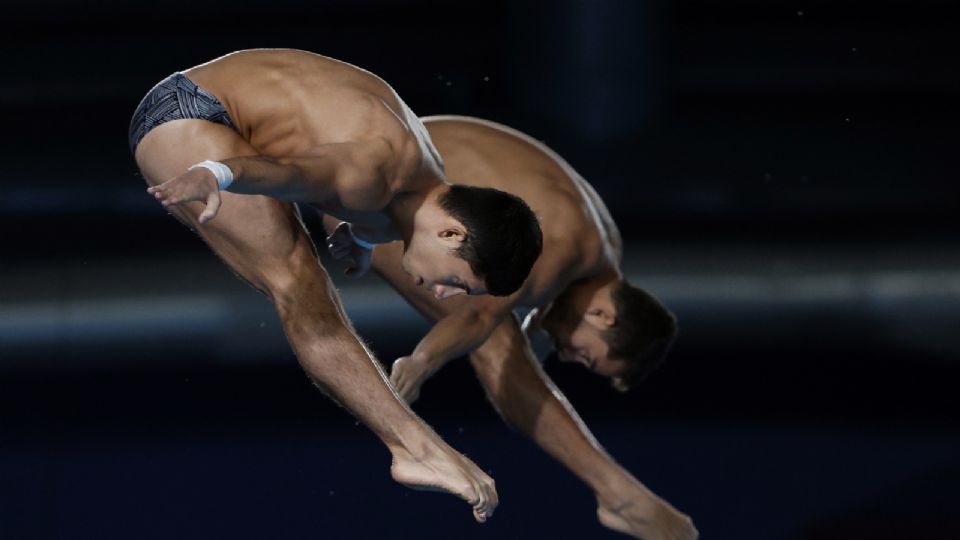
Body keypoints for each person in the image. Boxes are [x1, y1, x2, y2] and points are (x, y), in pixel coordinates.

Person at [130, 49, 542, 522]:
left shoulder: (424, 190)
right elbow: (294, 172)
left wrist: (362, 240)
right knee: (298, 282)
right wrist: (216, 173)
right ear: (452, 234)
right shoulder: (373, 173)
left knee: (307, 273)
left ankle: (416, 445)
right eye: (457, 282)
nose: (442, 295)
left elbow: (368, 204)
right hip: (185, 114)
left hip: (216, 102)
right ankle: (416, 448)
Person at [326, 115, 696, 539]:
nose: (567, 355)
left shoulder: (598, 251)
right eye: (585, 355)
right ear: (604, 317)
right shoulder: (564, 248)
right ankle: (621, 495)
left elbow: (518, 369)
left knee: (502, 337)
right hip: (361, 184)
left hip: (385, 164)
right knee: (493, 334)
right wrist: (420, 363)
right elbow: (480, 321)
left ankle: (617, 492)